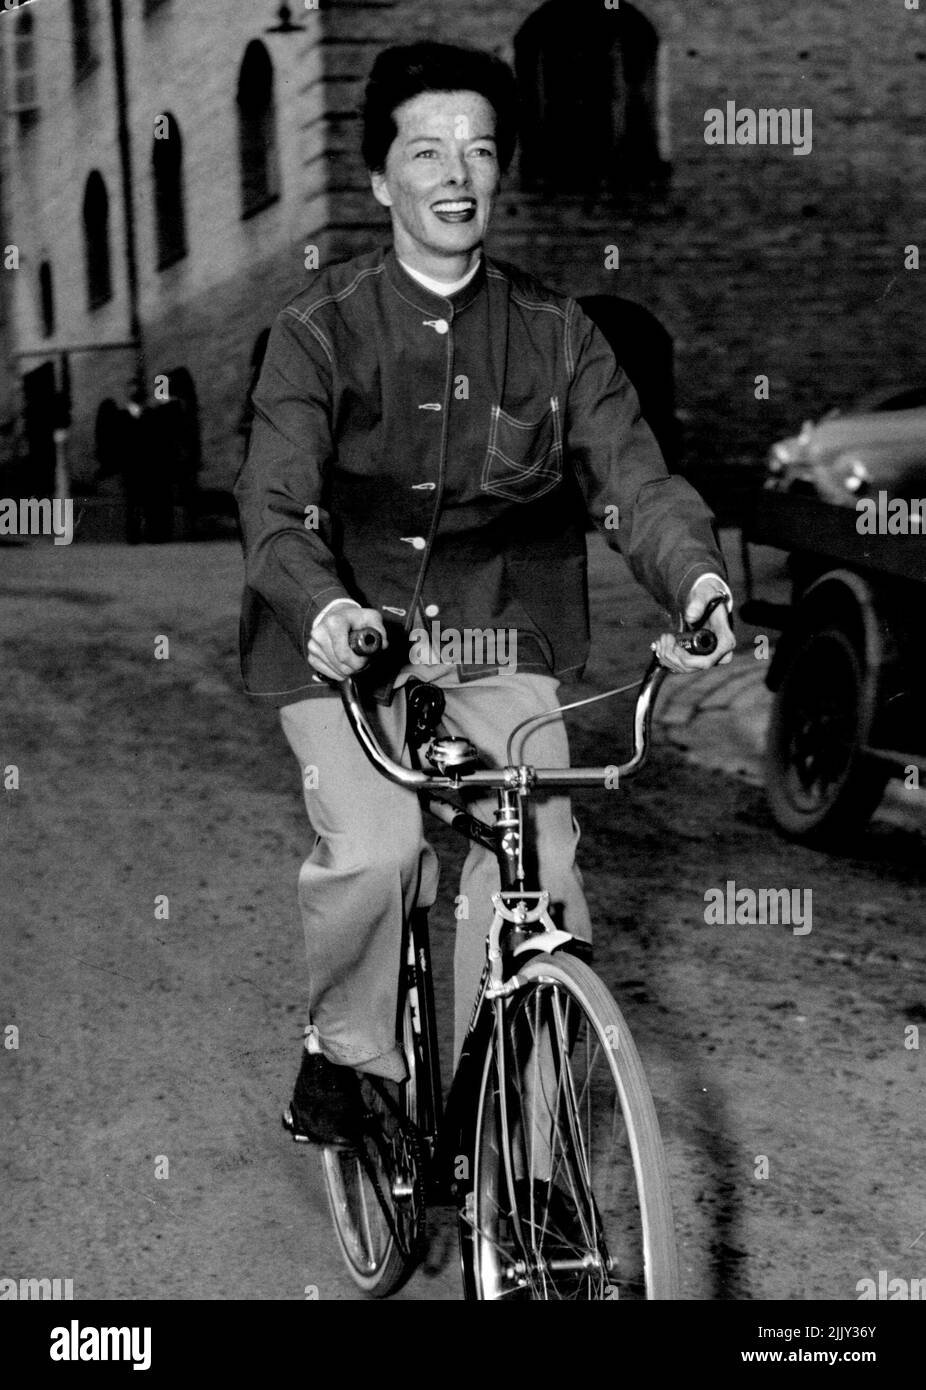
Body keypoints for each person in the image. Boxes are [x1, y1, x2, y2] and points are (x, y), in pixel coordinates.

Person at [234, 41, 736, 1148]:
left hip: (498, 635)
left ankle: (532, 1151)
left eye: (478, 149)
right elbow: (273, 510)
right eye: (426, 150)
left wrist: (695, 580)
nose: (456, 173)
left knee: (542, 868)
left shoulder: (559, 334)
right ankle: (347, 1050)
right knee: (382, 850)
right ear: (380, 181)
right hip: (343, 640)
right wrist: (327, 611)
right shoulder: (317, 332)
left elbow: (636, 480)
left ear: (498, 173)